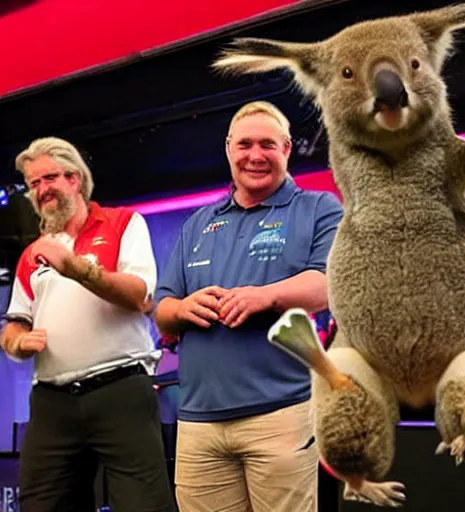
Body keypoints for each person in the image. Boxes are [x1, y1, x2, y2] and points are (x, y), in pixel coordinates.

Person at [154, 101, 343, 512]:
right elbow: (162, 307)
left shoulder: (318, 209)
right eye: (244, 145)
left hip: (281, 415)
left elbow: (329, 285)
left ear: (287, 149)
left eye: (267, 145)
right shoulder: (198, 224)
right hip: (198, 421)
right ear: (228, 149)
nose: (255, 155)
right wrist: (184, 308)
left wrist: (265, 296)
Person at [0, 137, 173, 512]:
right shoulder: (34, 253)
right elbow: (13, 325)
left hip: (120, 389)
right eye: (33, 184)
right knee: (42, 504)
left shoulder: (124, 223)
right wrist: (18, 343)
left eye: (49, 178)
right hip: (52, 401)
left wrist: (75, 267)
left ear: (75, 179)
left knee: (144, 504)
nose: (41, 190)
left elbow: (140, 295)